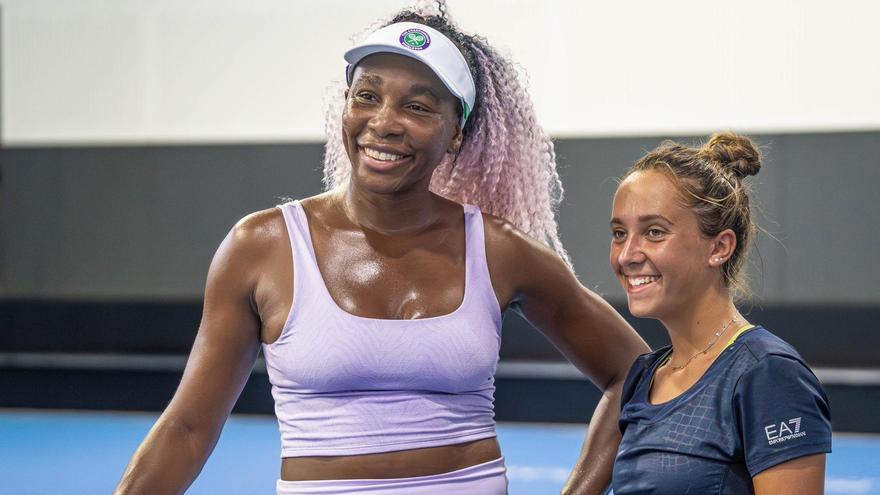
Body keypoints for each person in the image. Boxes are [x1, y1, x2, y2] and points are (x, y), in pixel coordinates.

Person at [115, 5, 648, 495]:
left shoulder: (500, 251)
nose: (384, 121)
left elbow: (635, 372)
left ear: (456, 131)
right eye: (366, 95)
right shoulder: (261, 248)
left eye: (417, 106)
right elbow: (187, 429)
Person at [608, 133, 832, 494]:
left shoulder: (768, 375)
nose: (627, 254)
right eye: (619, 233)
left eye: (653, 232)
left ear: (720, 246)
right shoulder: (644, 376)